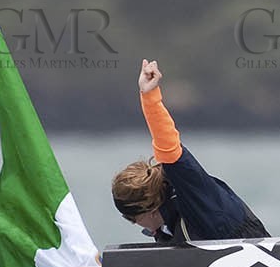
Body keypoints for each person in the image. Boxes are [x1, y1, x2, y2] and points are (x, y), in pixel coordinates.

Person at [111, 58, 267, 242]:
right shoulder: (168, 225)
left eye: (131, 219)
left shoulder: (195, 196)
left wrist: (149, 96)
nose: (135, 224)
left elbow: (168, 147)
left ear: (149, 210)